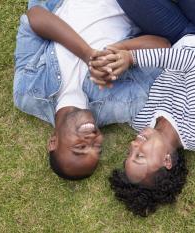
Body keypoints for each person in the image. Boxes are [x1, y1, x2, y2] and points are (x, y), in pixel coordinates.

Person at [84, 0, 195, 216]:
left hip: (175, 38)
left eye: (130, 153)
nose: (133, 144)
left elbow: (119, 85)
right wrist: (132, 58)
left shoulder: (140, 120)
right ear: (166, 161)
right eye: (140, 156)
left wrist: (108, 67)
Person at [13, 0, 169, 180]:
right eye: (97, 148)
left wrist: (88, 54)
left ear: (53, 141)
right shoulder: (124, 104)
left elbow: (34, 16)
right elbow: (164, 47)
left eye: (80, 148)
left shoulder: (28, 93)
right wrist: (121, 55)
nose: (93, 139)